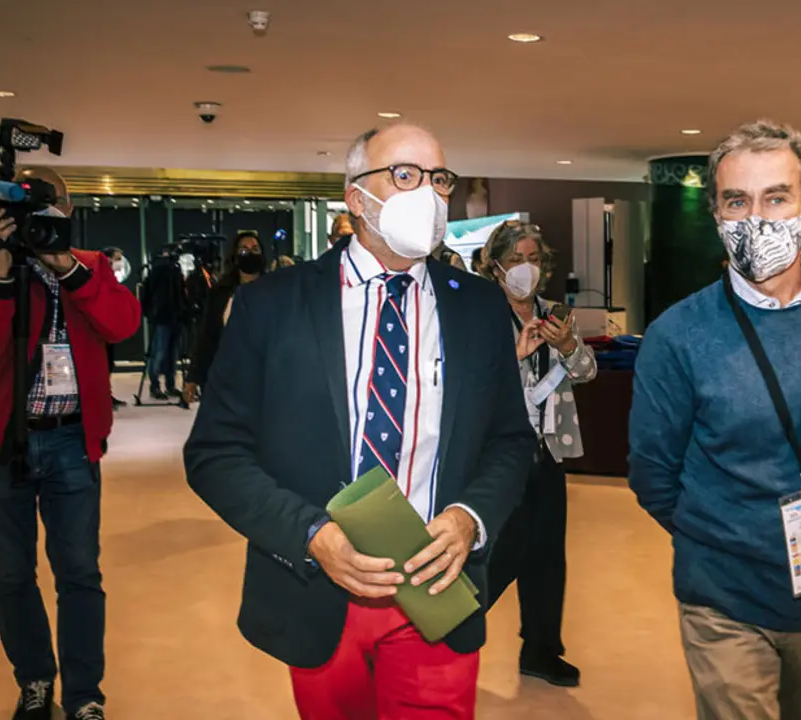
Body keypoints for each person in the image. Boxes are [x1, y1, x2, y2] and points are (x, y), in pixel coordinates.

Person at [184, 123, 535, 720]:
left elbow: (509, 439)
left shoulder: (477, 305)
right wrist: (310, 534)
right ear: (355, 196)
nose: (428, 193)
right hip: (319, 586)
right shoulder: (272, 304)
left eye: (439, 180)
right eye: (405, 175)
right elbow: (215, 454)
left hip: (435, 585)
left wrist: (469, 518)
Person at [628, 120, 801, 720]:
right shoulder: (677, 335)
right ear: (717, 215)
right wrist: (724, 534)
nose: (757, 218)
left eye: (776, 197)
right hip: (721, 595)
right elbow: (653, 473)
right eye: (737, 201)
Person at [0, 198, 140, 720]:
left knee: (80, 572)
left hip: (71, 441)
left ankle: (85, 696)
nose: (40, 222)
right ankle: (35, 681)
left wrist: (70, 269)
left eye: (52, 210)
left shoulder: (90, 264)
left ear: (67, 213)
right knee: (10, 575)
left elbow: (122, 324)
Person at [480, 221, 597, 687]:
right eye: (515, 260)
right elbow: (472, 383)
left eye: (533, 258)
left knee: (548, 555)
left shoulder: (555, 314)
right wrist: (515, 352)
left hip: (547, 449)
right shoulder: (482, 315)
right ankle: (444, 628)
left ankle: (542, 649)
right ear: (495, 268)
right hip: (498, 452)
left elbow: (586, 372)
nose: (525, 268)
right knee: (504, 551)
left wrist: (567, 345)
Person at [182, 231, 265, 404]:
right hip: (227, 376)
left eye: (255, 249)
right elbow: (207, 335)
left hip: (264, 378)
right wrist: (193, 376)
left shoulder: (275, 291)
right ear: (234, 256)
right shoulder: (221, 293)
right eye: (244, 249)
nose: (249, 253)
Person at [141, 248, 187, 399]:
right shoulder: (159, 270)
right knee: (159, 353)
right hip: (163, 317)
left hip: (175, 316)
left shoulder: (175, 270)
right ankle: (155, 386)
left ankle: (170, 384)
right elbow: (149, 293)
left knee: (171, 354)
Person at [101, 248, 130, 409]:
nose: (120, 263)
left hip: (111, 327)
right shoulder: (100, 278)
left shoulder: (113, 280)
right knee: (103, 364)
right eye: (117, 259)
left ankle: (107, 394)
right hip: (101, 329)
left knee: (109, 363)